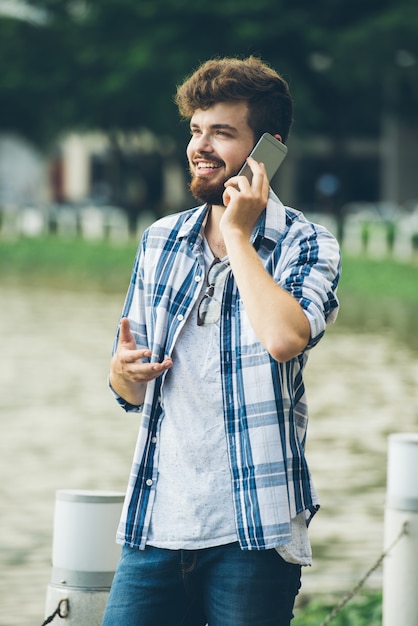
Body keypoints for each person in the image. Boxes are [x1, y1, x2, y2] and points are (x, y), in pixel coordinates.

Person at [101, 56, 341, 626]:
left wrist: (237, 233)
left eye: (222, 133)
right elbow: (126, 390)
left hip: (252, 532)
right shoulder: (161, 239)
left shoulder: (306, 243)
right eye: (195, 130)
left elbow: (285, 338)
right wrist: (124, 375)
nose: (200, 146)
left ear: (268, 150)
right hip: (156, 525)